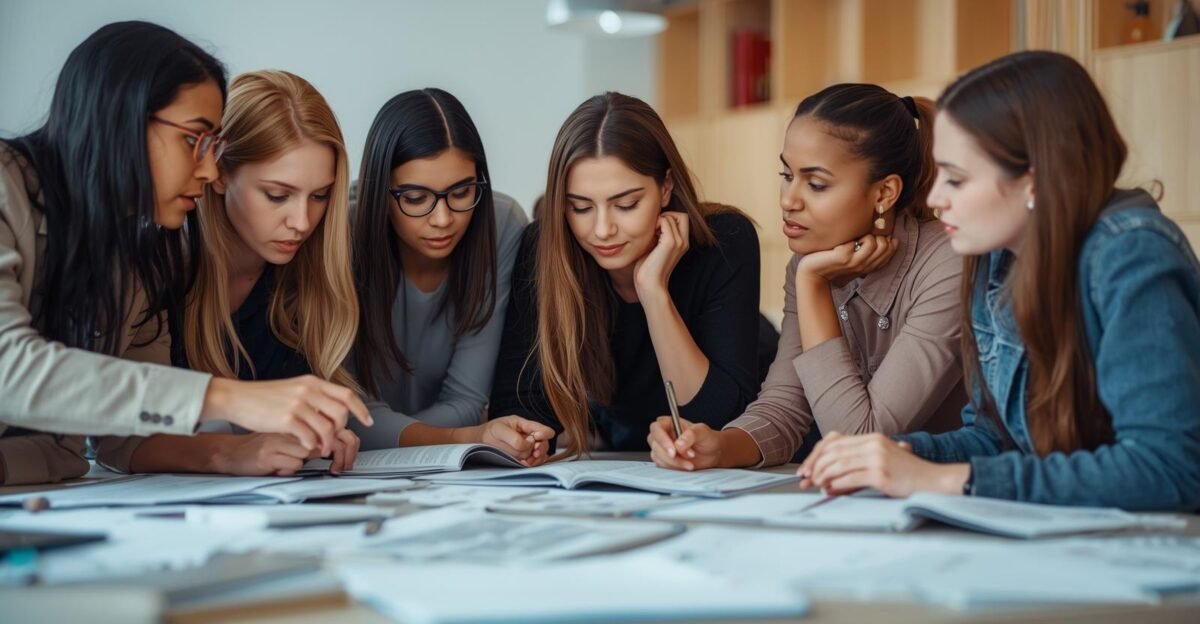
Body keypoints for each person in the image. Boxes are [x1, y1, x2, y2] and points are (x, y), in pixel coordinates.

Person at [798, 51, 1200, 511]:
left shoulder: (1131, 256)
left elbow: (1169, 468)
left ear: (1034, 179)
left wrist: (947, 479)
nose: (935, 199)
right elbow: (997, 438)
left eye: (956, 179)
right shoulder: (996, 256)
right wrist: (895, 456)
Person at [0, 22, 369, 485]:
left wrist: (236, 453)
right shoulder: (5, 186)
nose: (211, 168)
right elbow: (10, 371)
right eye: (194, 141)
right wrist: (232, 398)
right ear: (120, 118)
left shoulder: (137, 257)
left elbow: (123, 437)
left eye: (212, 145)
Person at [649, 83, 966, 471]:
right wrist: (716, 445)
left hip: (962, 505)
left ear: (884, 192)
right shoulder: (810, 263)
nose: (788, 199)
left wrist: (813, 286)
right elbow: (783, 409)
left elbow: (859, 440)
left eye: (816, 184)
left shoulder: (949, 263)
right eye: (787, 174)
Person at [490, 92, 761, 458]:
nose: (602, 229)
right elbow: (522, 407)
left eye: (626, 204)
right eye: (580, 207)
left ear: (665, 187)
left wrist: (653, 291)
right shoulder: (545, 249)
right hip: (627, 459)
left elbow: (716, 421)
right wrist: (527, 441)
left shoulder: (725, 241)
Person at [350, 89, 550, 465]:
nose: (443, 219)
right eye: (415, 198)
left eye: (461, 192)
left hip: (446, 471)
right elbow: (351, 413)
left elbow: (467, 403)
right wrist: (465, 437)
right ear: (379, 191)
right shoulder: (341, 237)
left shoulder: (501, 223)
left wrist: (386, 432)